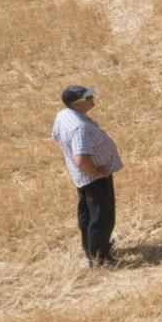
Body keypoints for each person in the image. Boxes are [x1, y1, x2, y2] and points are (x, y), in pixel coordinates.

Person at [51, 84, 123, 266]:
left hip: (82, 177)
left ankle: (91, 248)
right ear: (77, 104)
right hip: (94, 178)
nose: (92, 99)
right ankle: (100, 258)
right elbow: (81, 160)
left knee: (87, 214)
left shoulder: (63, 115)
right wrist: (98, 172)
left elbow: (56, 136)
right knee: (101, 217)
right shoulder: (79, 128)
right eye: (88, 98)